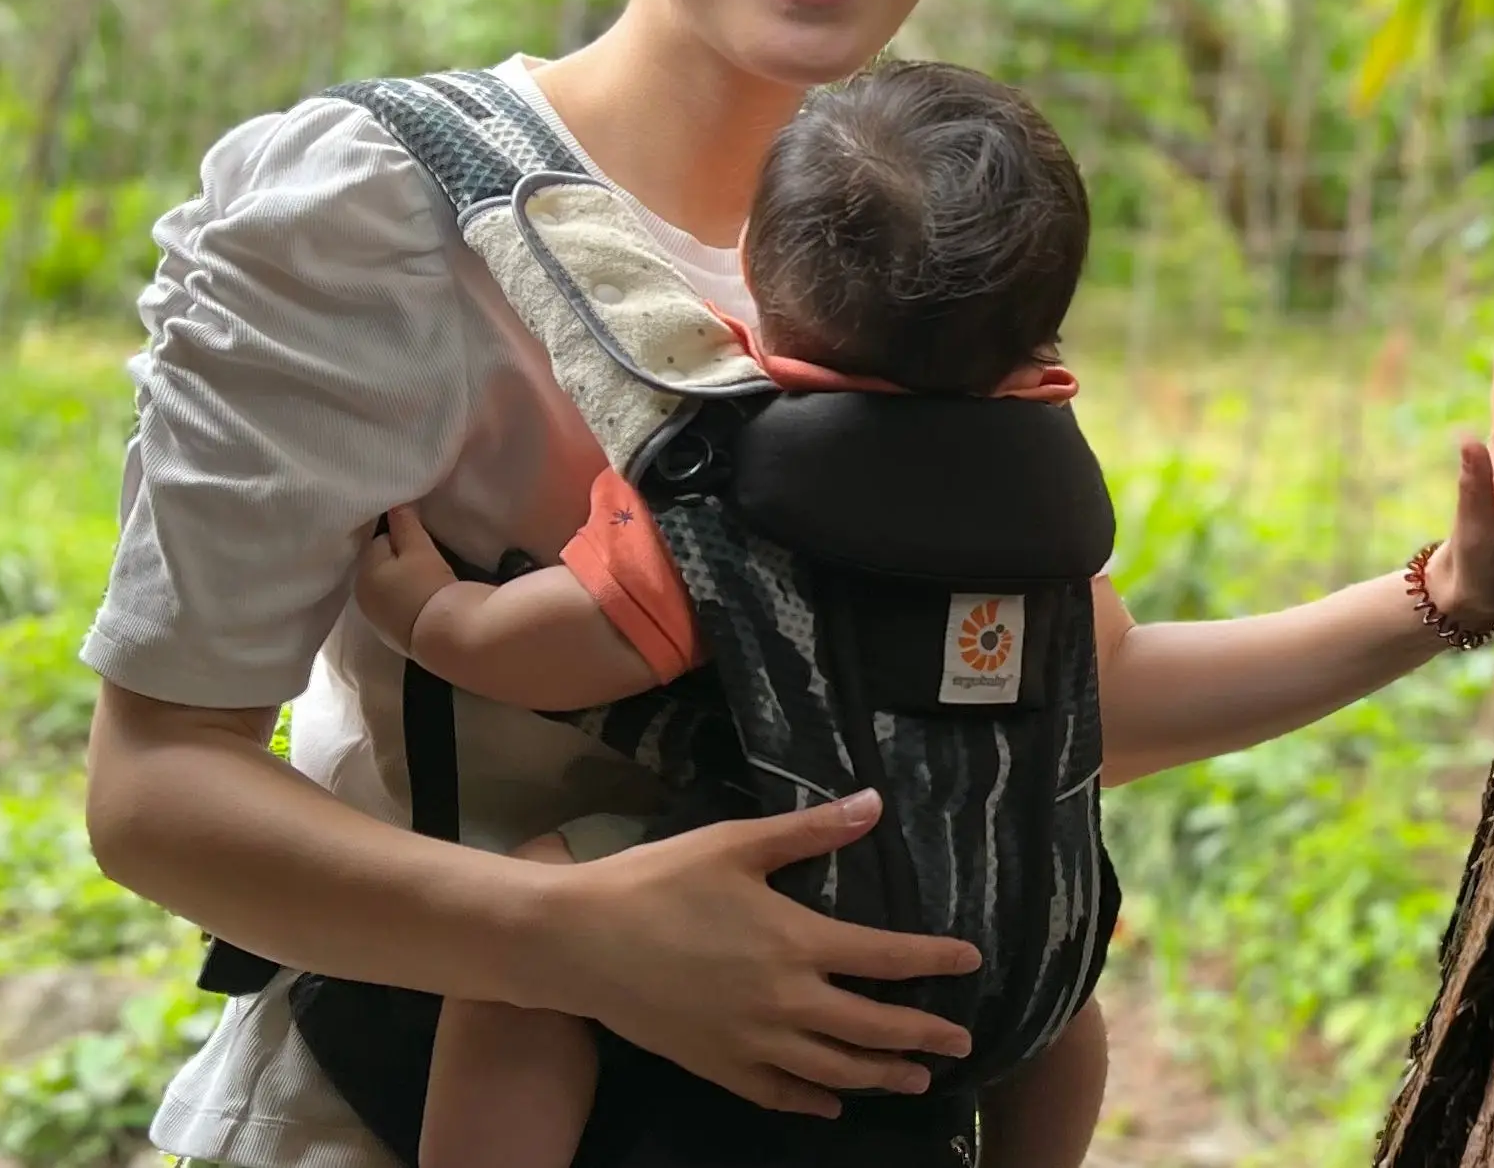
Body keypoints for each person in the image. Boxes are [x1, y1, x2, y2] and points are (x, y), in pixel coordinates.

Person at [79, 0, 1494, 1168]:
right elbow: (155, 789)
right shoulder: (372, 211)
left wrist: (1451, 590)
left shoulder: (928, 246)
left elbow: (1062, 690)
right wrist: (573, 938)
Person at [353, 59, 1107, 1168]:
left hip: (796, 897)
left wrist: (434, 619)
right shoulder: (1052, 503)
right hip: (1008, 937)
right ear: (1040, 343)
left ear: (748, 271)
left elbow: (565, 648)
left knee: (536, 929)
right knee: (1070, 1006)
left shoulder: (735, 487)